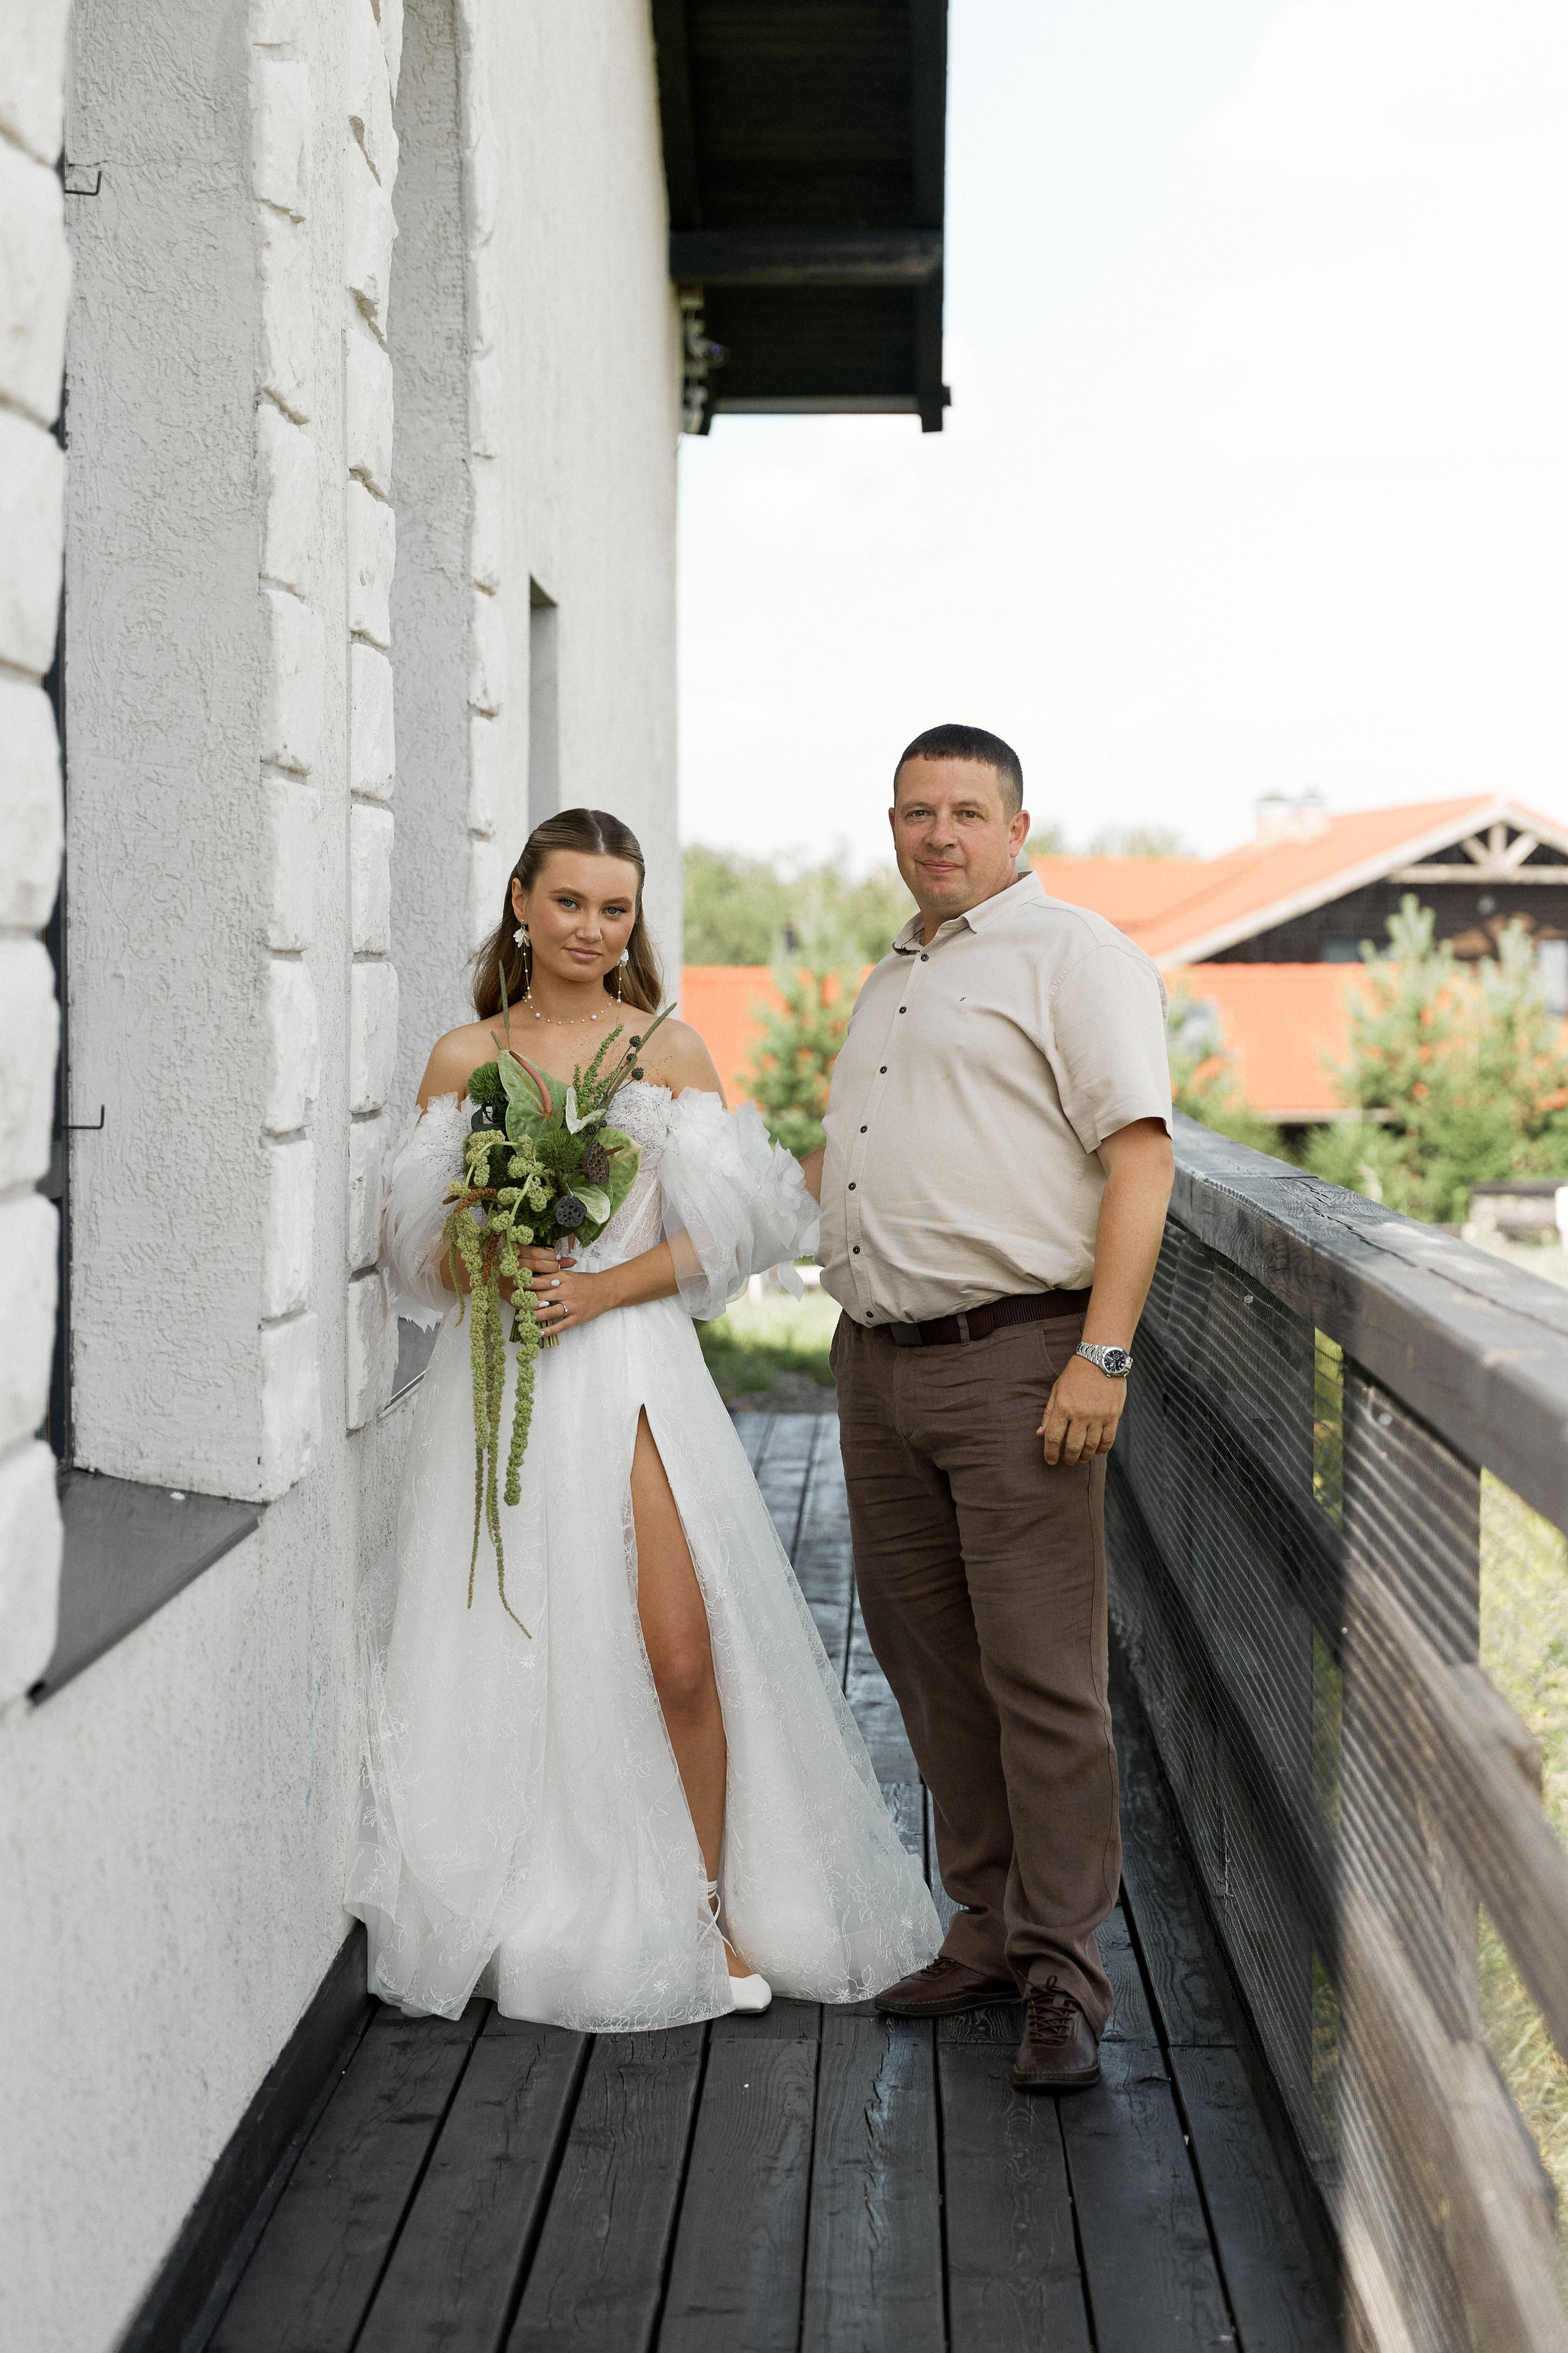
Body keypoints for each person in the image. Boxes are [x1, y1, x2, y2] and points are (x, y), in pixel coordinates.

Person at [348, 807, 939, 2030]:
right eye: (568, 902)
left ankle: (714, 1907)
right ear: (521, 901)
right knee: (522, 1650)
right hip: (505, 1380)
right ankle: (540, 1887)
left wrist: (597, 1284)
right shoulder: (465, 1059)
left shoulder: (665, 1052)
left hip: (629, 1367)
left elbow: (733, 1235)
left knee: (679, 1648)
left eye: (614, 907)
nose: (590, 927)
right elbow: (414, 1254)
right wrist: (494, 1257)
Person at [801, 725, 1174, 2091]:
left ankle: (1065, 1974)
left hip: (1018, 1363)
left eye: (964, 811)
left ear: (1019, 824)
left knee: (1042, 1676)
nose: (935, 834)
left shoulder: (1073, 958)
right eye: (913, 812)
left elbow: (1139, 1160)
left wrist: (1104, 1354)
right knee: (929, 1663)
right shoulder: (898, 971)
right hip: (877, 1363)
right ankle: (987, 1927)